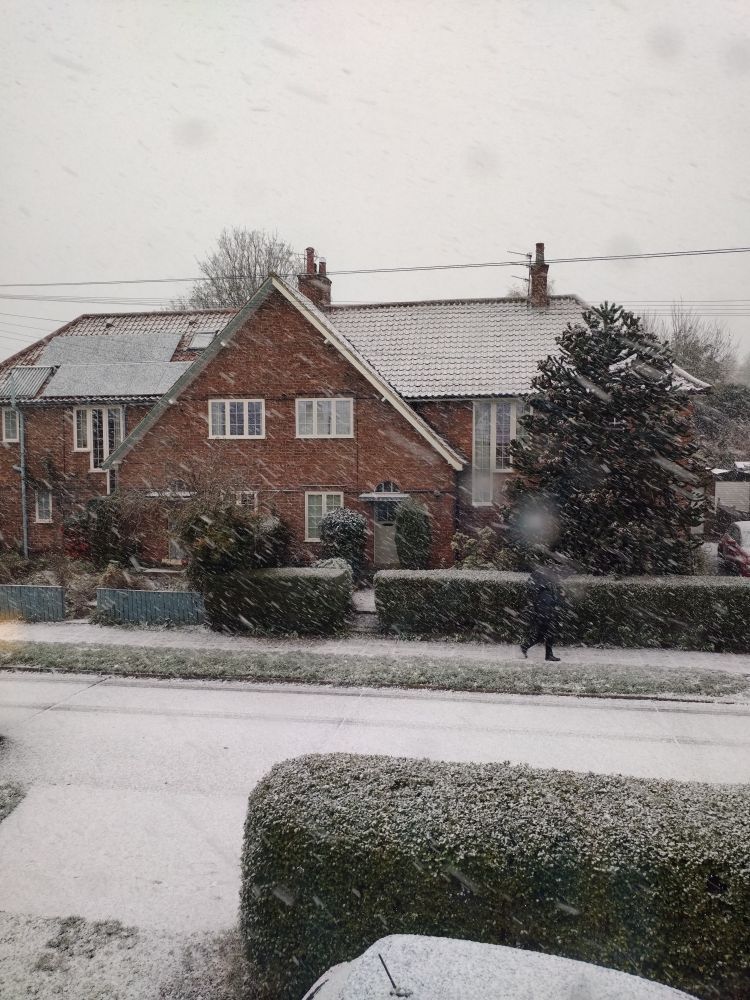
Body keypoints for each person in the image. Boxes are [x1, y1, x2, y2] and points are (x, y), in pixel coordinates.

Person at [520, 560, 567, 662]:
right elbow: (551, 602)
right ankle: (547, 655)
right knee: (548, 633)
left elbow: (553, 601)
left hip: (546, 612)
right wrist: (560, 597)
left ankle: (525, 646)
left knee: (541, 635)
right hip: (545, 613)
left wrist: (560, 596)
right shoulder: (544, 591)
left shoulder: (546, 588)